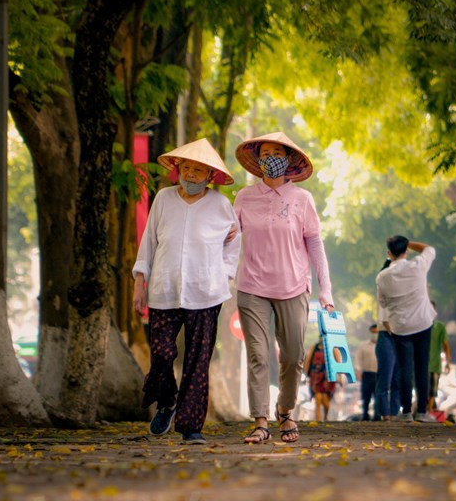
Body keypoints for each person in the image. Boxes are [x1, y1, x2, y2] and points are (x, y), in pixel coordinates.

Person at [132, 138, 240, 445]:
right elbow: (149, 242)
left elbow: (234, 242)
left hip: (206, 293)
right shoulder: (164, 199)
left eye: (199, 171)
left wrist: (225, 274)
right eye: (187, 168)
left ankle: (191, 426)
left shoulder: (221, 205)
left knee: (197, 360)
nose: (191, 175)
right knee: (162, 355)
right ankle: (167, 401)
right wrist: (139, 280)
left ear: (210, 176)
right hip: (164, 289)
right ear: (178, 169)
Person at [233, 132, 335, 444]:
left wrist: (325, 290)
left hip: (294, 287)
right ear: (258, 159)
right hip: (252, 288)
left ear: (289, 159)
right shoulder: (243, 198)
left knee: (292, 356)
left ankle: (285, 410)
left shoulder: (302, 200)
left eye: (278, 152)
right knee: (259, 355)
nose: (271, 157)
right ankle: (260, 421)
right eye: (265, 152)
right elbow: (228, 242)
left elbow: (315, 246)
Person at [376, 236, 438, 423]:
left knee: (404, 369)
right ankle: (422, 411)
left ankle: (405, 412)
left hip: (400, 327)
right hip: (422, 323)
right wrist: (408, 243)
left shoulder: (382, 277)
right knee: (422, 367)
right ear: (407, 251)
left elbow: (383, 302)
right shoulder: (418, 265)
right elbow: (429, 247)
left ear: (389, 254)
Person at [374, 260, 401, 422]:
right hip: (387, 336)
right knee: (385, 378)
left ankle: (394, 413)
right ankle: (385, 414)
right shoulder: (383, 290)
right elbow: (386, 321)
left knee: (397, 378)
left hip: (398, 337)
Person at [305, 337, 337, 421]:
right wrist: (307, 373)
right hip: (315, 376)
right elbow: (308, 361)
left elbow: (337, 362)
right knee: (318, 398)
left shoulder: (332, 348)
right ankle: (318, 420)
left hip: (327, 378)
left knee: (326, 402)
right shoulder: (314, 348)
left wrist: (338, 377)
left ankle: (326, 416)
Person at [427, 302, 451, 411]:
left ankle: (428, 411)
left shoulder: (439, 327)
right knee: (421, 390)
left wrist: (448, 363)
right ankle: (424, 410)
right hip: (419, 365)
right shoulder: (417, 327)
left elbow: (445, 345)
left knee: (432, 391)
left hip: (434, 365)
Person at [354, 324, 379, 421]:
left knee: (378, 396)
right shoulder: (363, 346)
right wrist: (357, 371)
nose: (375, 334)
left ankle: (377, 415)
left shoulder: (383, 346)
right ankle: (365, 415)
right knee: (366, 396)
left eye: (377, 332)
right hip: (367, 374)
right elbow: (358, 359)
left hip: (379, 374)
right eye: (373, 332)